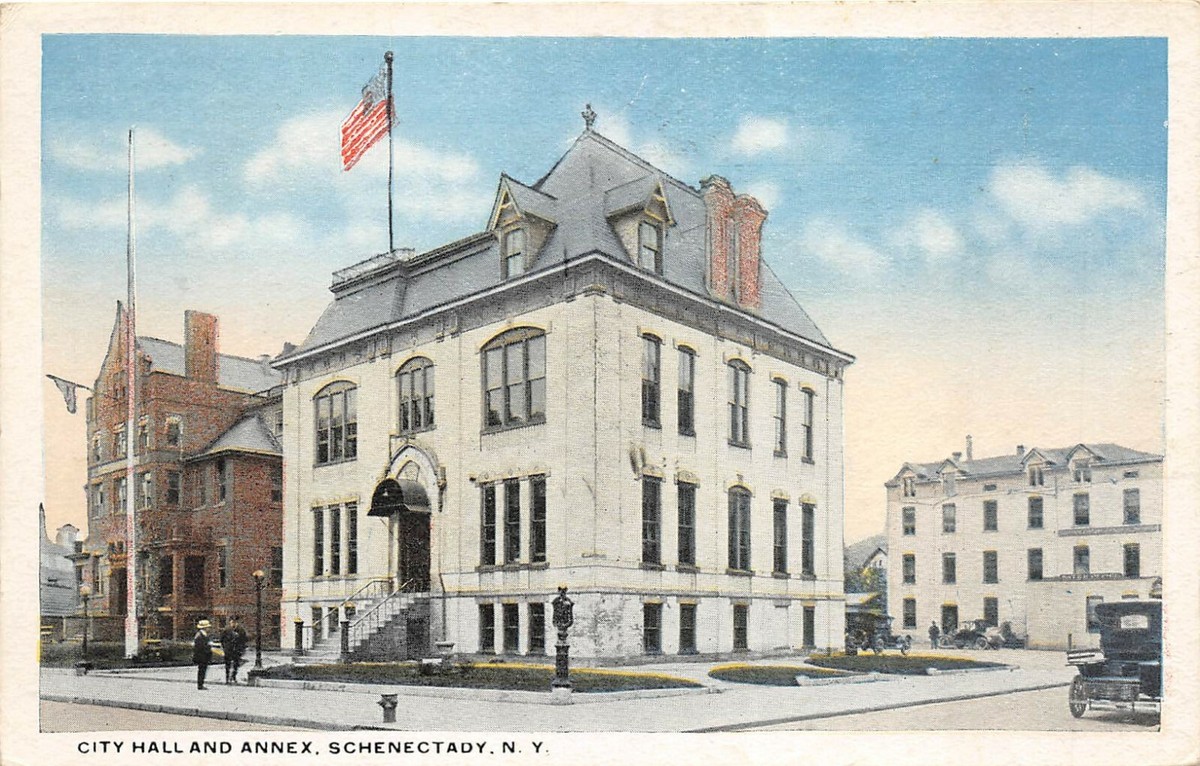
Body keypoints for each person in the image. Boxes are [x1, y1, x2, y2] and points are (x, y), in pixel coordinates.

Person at [220, 616, 249, 684]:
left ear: (237, 623)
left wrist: (241, 649)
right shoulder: (226, 630)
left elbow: (244, 640)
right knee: (227, 664)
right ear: (230, 622)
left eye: (235, 622)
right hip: (228, 650)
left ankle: (233, 676)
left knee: (236, 664)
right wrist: (225, 647)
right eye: (232, 622)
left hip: (237, 650)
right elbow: (221, 639)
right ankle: (227, 678)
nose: (233, 624)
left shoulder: (241, 630)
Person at [193, 619, 213, 690]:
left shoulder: (203, 635)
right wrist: (208, 646)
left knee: (203, 670)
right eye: (208, 627)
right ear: (204, 628)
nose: (209, 629)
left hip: (203, 656)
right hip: (201, 656)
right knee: (201, 670)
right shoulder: (200, 636)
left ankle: (201, 684)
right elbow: (200, 647)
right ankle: (200, 684)